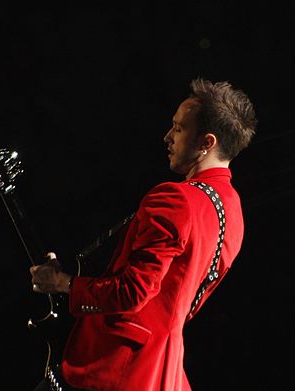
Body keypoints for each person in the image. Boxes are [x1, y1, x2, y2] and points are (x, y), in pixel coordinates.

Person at [30, 77, 257, 391]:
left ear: (207, 142)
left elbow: (133, 292)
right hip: (164, 369)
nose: (167, 137)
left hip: (118, 368)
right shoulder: (233, 212)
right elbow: (181, 302)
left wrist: (62, 284)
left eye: (178, 129)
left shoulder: (176, 199)